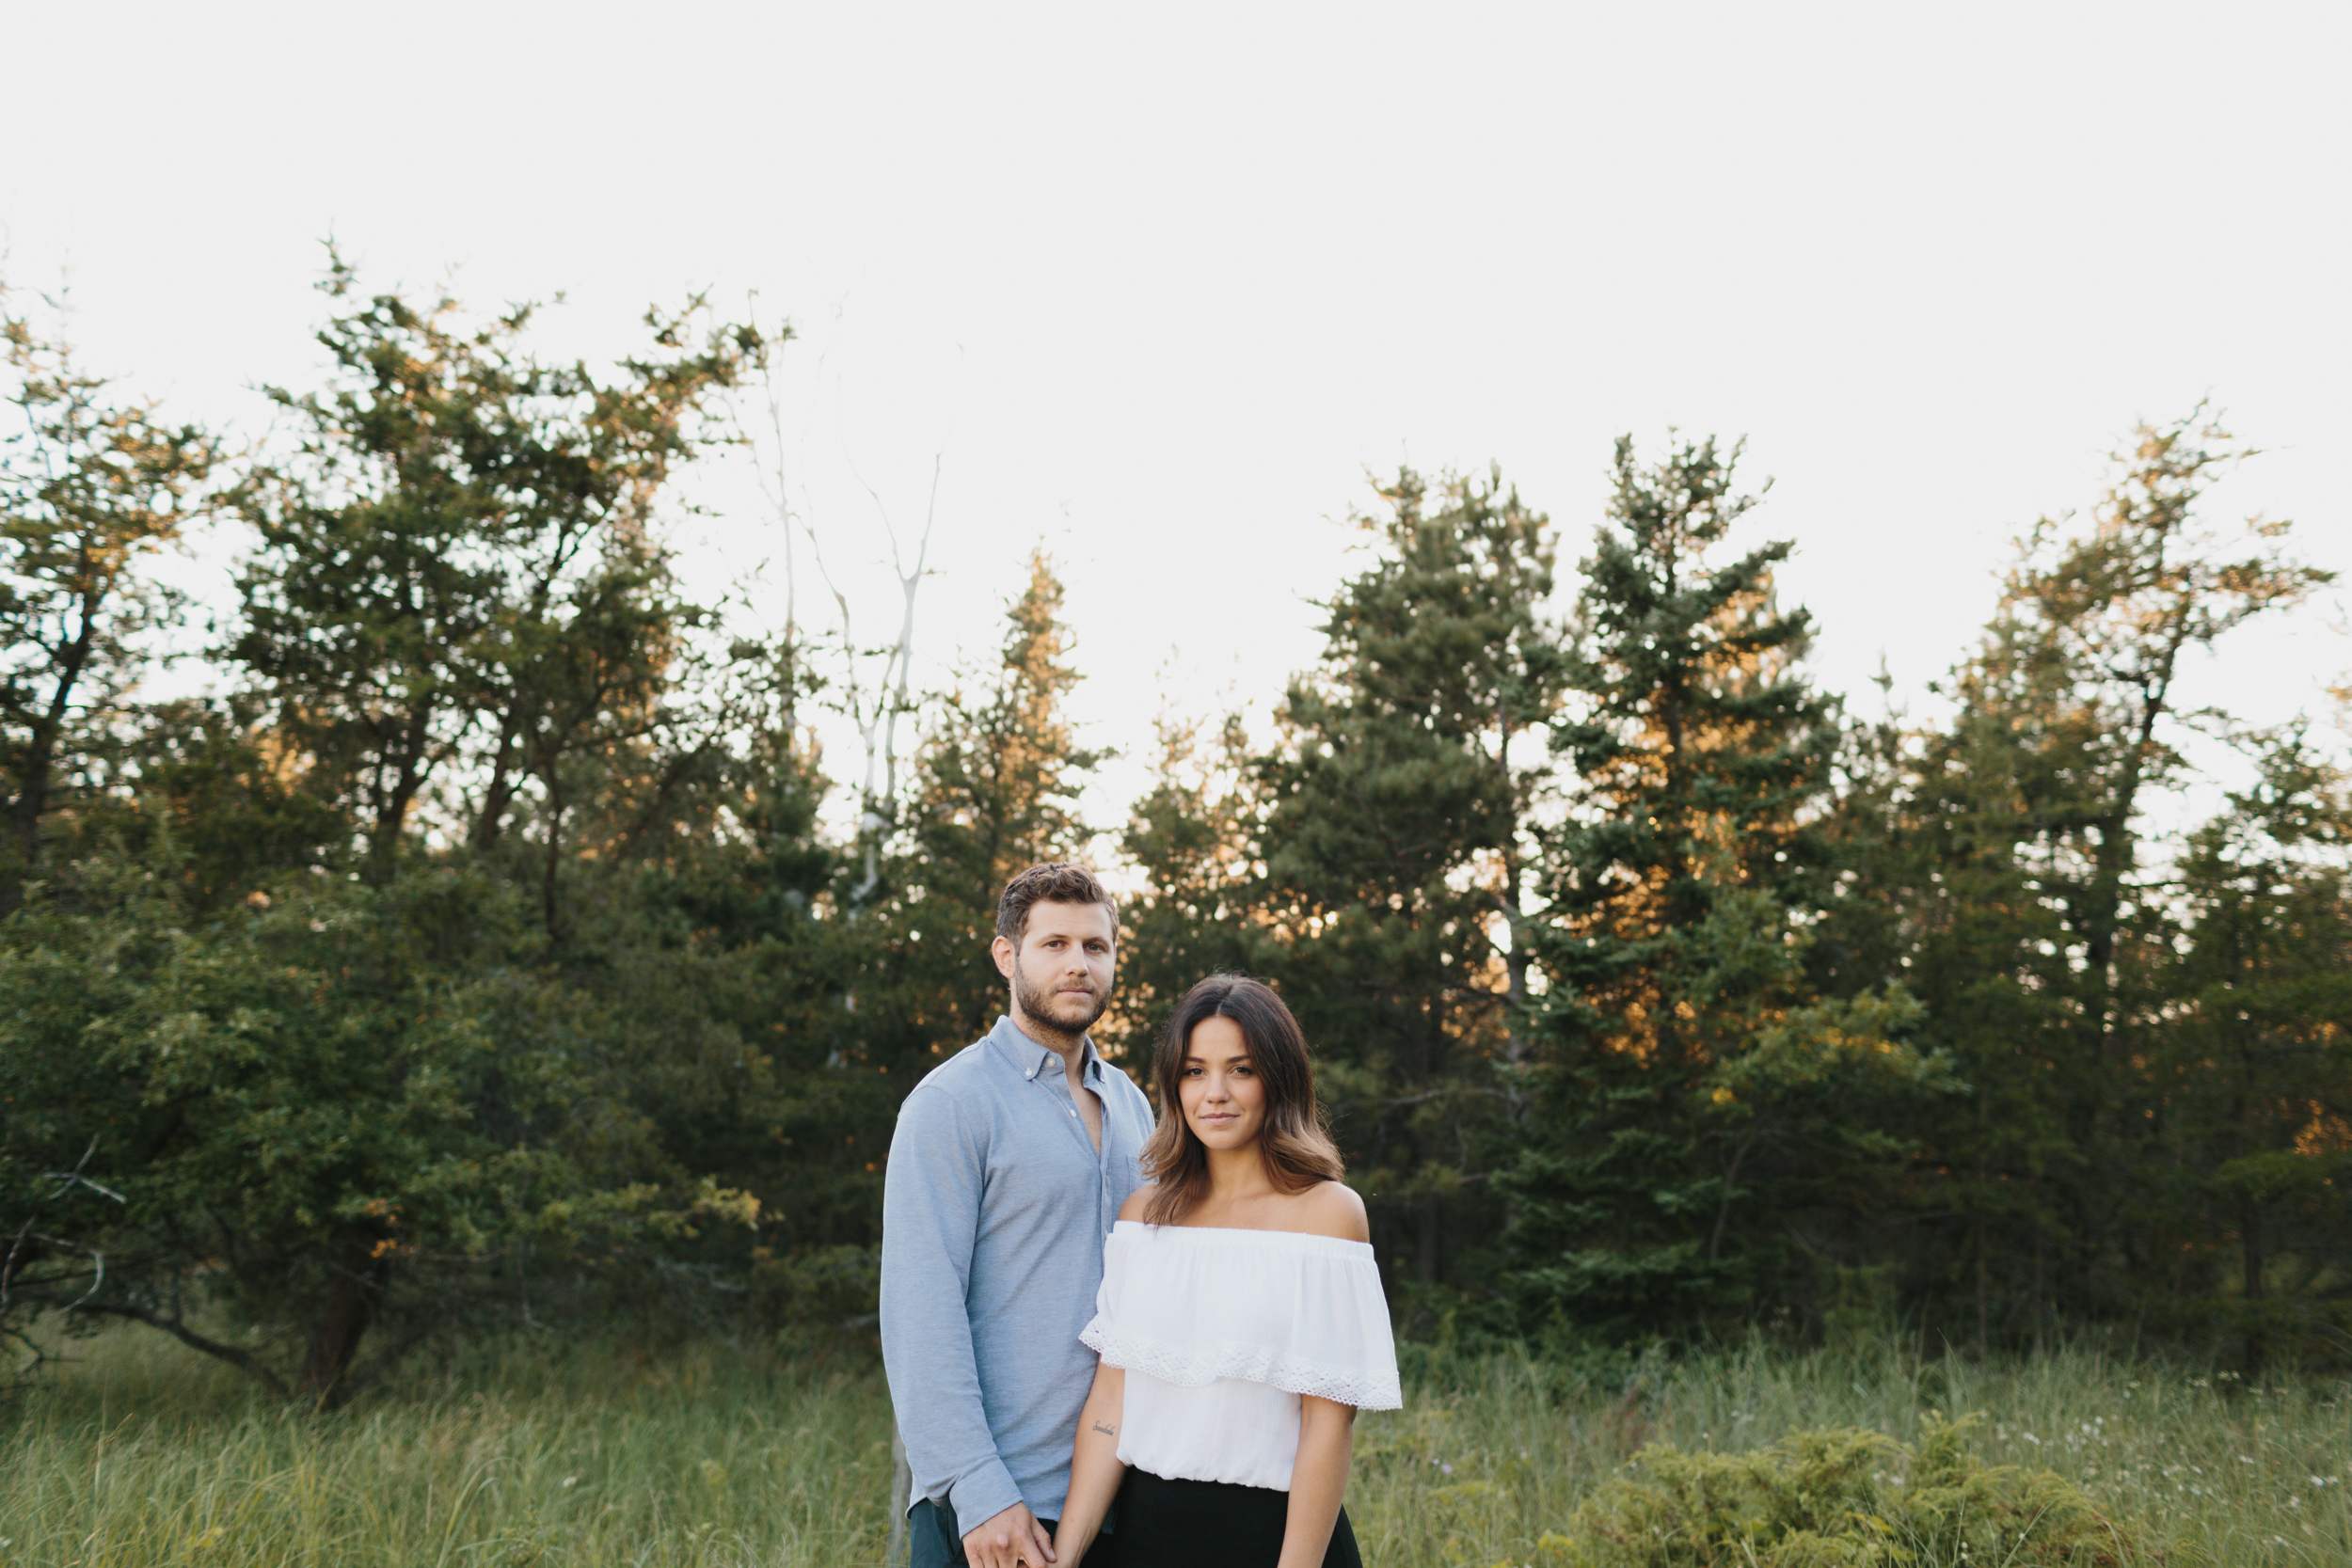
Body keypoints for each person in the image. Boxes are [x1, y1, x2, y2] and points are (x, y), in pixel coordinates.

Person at [1050, 974, 1402, 1568]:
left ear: (1278, 1080)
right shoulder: (1144, 1217)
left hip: (1275, 1540)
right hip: (1144, 1537)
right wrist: (1065, 1556)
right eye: (1194, 1070)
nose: (1215, 1092)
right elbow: (1111, 1406)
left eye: (1241, 1069)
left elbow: (1326, 1429)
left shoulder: (1329, 1216)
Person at [882, 863, 1155, 1568]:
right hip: (995, 1512)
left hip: (1121, 1499)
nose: (1078, 964)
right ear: (1008, 955)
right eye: (1054, 944)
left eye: (1095, 947)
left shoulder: (1133, 1105)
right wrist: (976, 1487)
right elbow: (920, 1308)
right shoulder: (951, 1103)